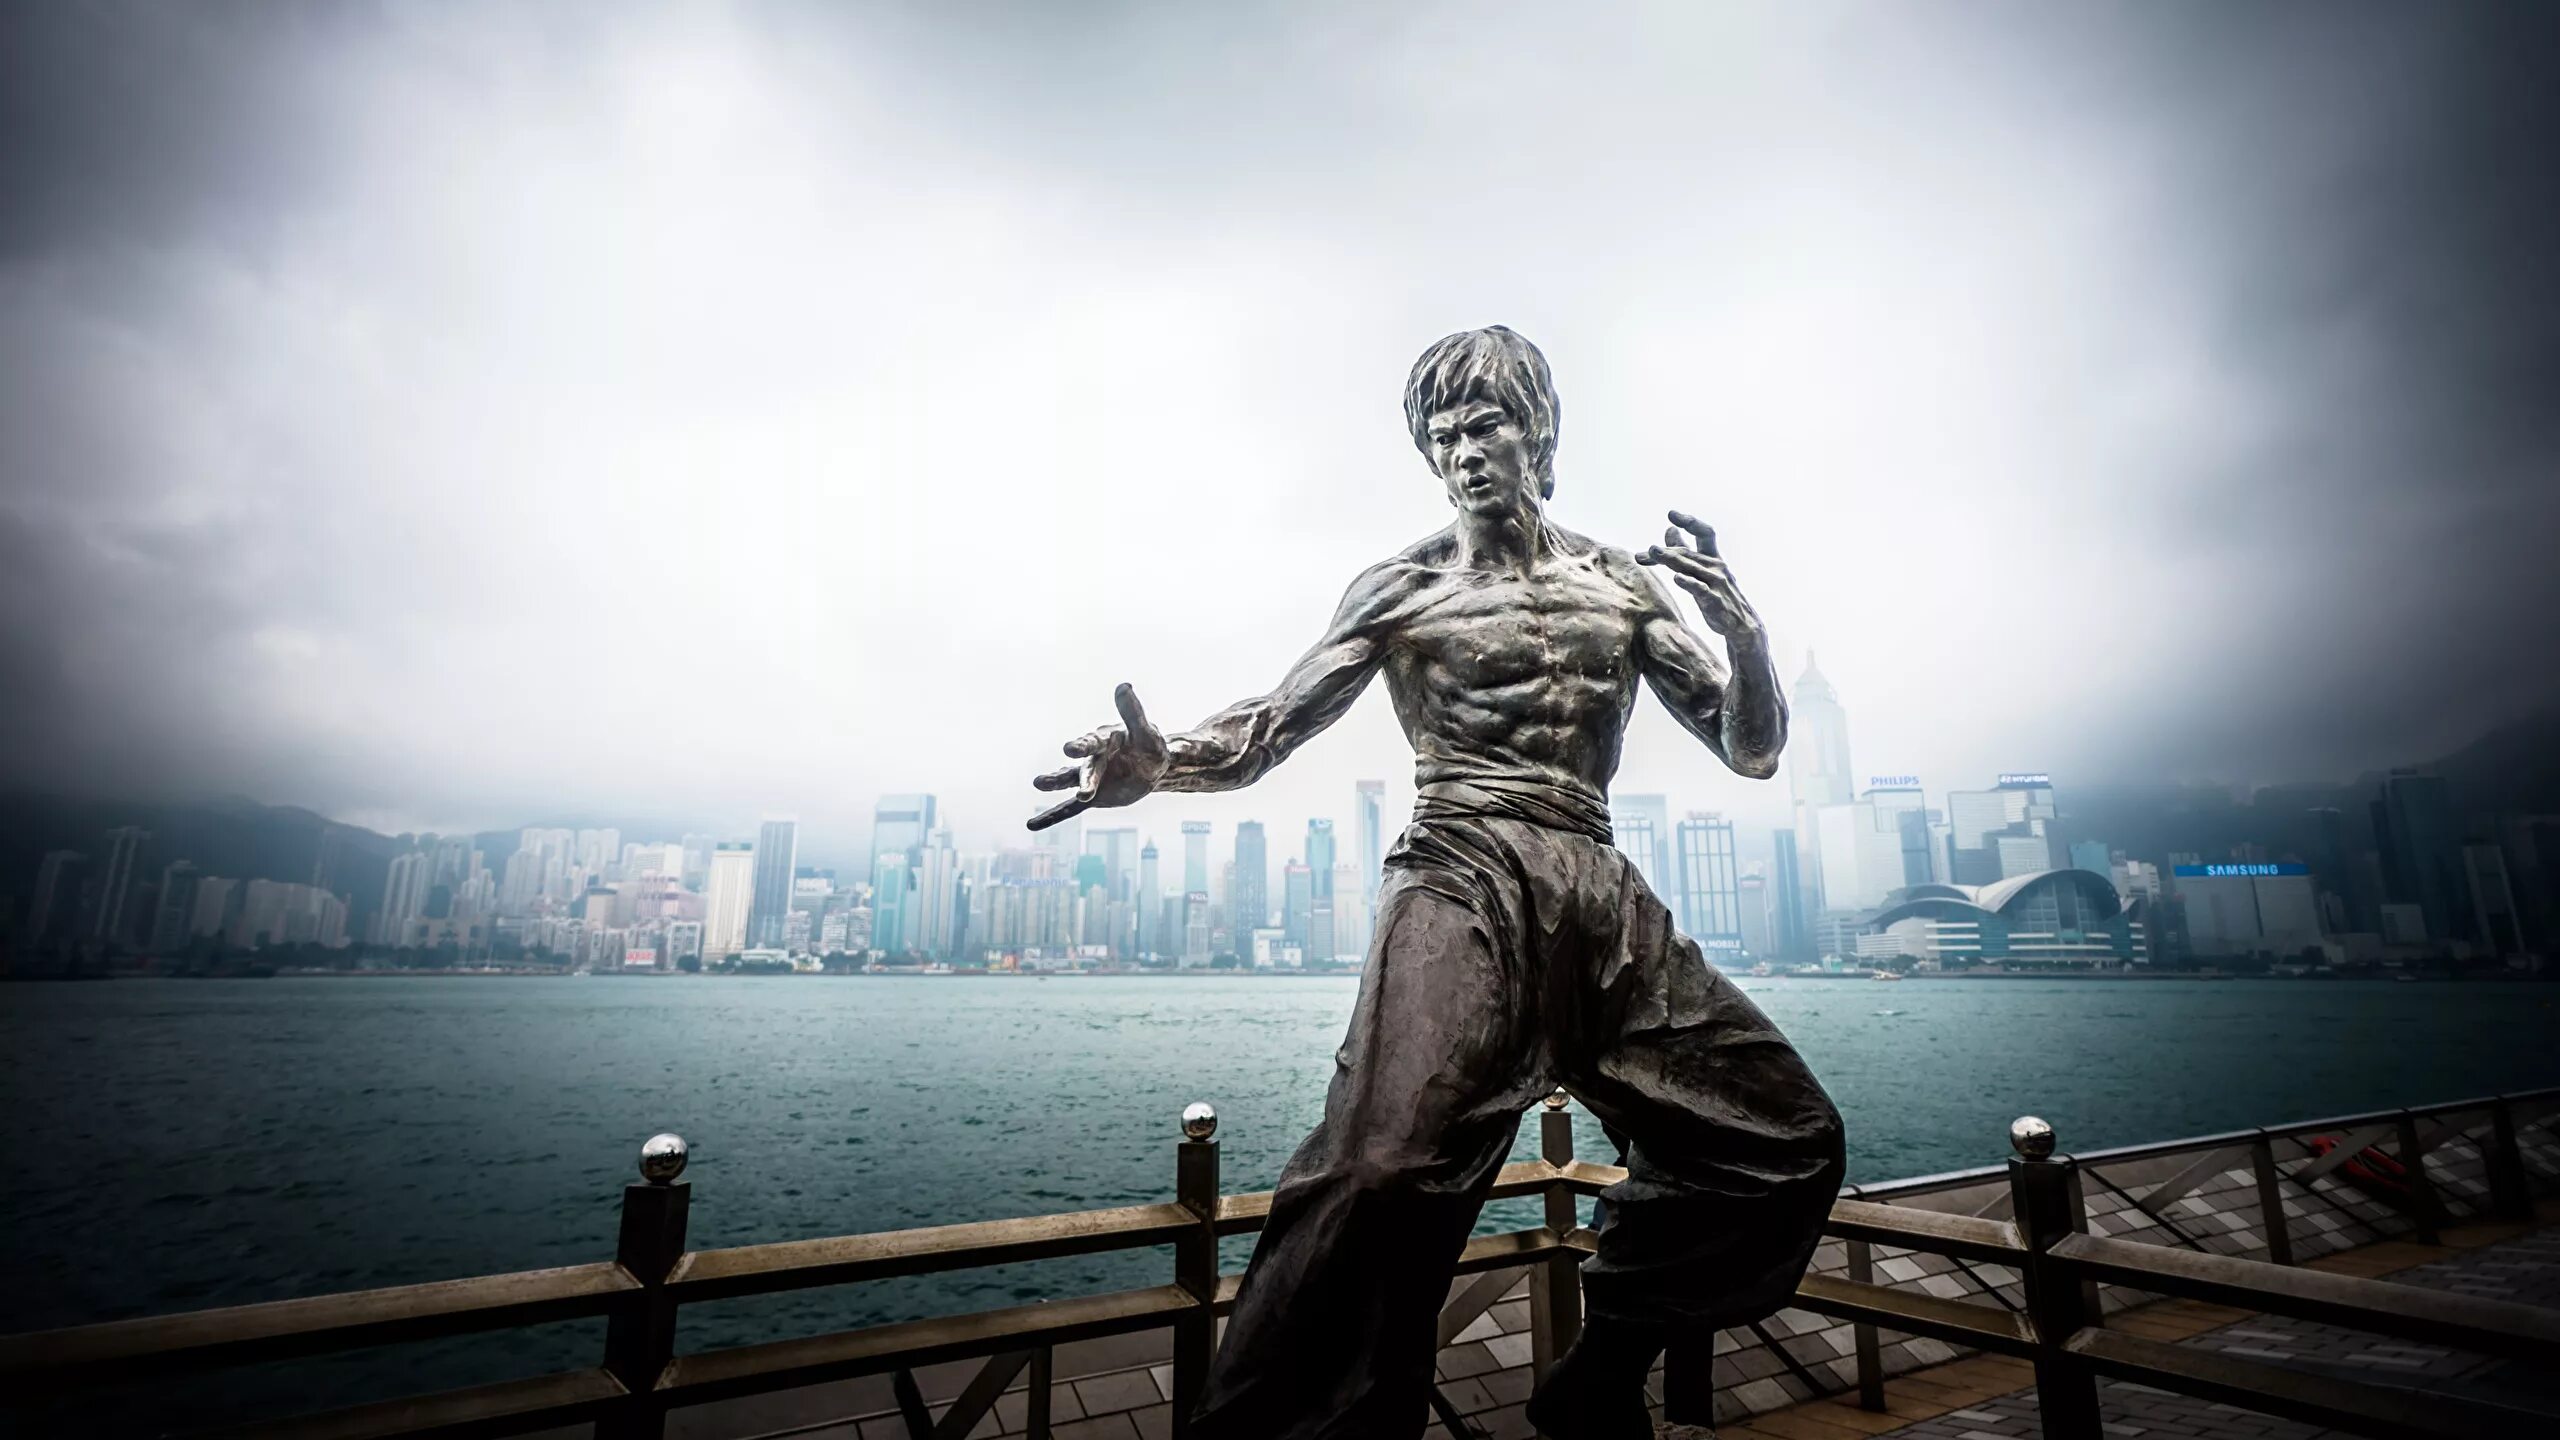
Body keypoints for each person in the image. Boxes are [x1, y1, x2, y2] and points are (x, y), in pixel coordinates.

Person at [1028, 326, 1844, 1438]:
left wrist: (1744, 638)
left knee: (1783, 1141)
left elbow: (1749, 751)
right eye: (1442, 435)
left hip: (1596, 885)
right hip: (1459, 873)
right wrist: (1163, 762)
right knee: (1375, 1174)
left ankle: (1603, 1362)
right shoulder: (1400, 589)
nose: (1463, 451)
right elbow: (1270, 726)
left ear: (1536, 433)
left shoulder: (1623, 586)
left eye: (1485, 424)